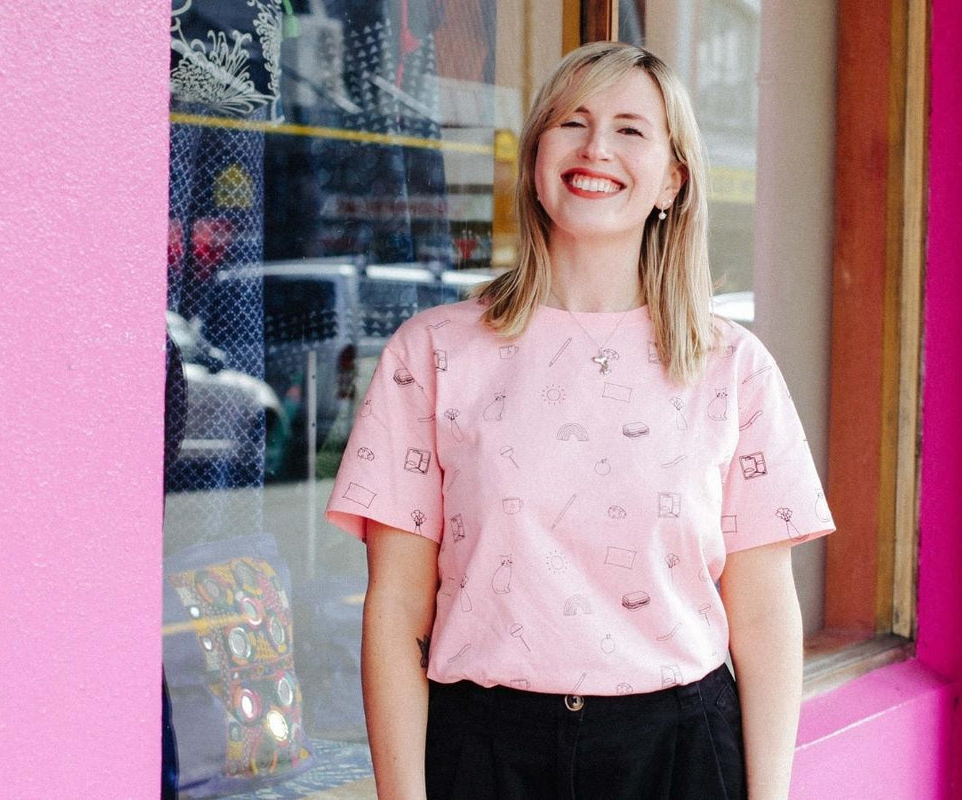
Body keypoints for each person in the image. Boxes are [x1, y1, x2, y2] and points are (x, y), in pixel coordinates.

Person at [324, 41, 837, 800]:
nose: (596, 147)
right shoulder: (430, 353)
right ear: (536, 159)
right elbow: (396, 612)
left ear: (673, 178)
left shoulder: (733, 367)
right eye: (573, 121)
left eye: (632, 129)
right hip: (484, 753)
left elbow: (762, 615)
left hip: (680, 755)